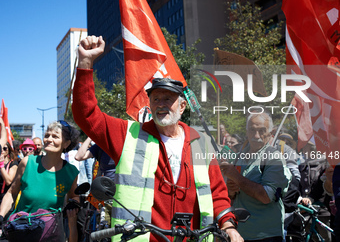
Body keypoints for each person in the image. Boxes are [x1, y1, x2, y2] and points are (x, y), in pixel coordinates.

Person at [72, 35, 243, 242]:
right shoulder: (128, 133)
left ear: (182, 106)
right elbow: (86, 115)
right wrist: (85, 63)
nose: (161, 104)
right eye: (155, 99)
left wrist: (229, 225)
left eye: (168, 99)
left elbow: (217, 192)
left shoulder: (201, 142)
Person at [0, 121, 80, 242]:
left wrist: (73, 205)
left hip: (51, 234)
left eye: (55, 136)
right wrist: (0, 217)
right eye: (47, 135)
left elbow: (74, 196)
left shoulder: (71, 172)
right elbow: (12, 192)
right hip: (21, 230)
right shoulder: (28, 163)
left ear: (66, 143)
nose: (49, 139)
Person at [220, 111, 291, 241]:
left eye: (262, 130)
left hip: (265, 235)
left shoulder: (274, 158)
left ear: (270, 133)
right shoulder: (240, 156)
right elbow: (232, 196)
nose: (256, 135)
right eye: (252, 130)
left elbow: (266, 196)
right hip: (240, 233)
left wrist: (237, 178)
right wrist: (231, 190)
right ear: (247, 131)